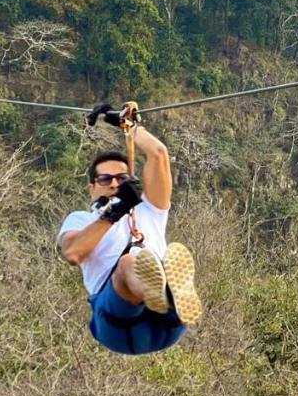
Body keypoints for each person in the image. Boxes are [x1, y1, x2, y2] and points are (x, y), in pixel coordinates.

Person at [57, 104, 201, 355]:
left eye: (121, 178)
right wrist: (116, 210)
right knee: (126, 264)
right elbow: (72, 253)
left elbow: (158, 153)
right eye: (105, 179)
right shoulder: (81, 220)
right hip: (119, 325)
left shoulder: (149, 210)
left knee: (170, 255)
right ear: (93, 188)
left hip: (165, 326)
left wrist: (130, 128)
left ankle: (170, 296)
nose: (114, 183)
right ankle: (164, 294)